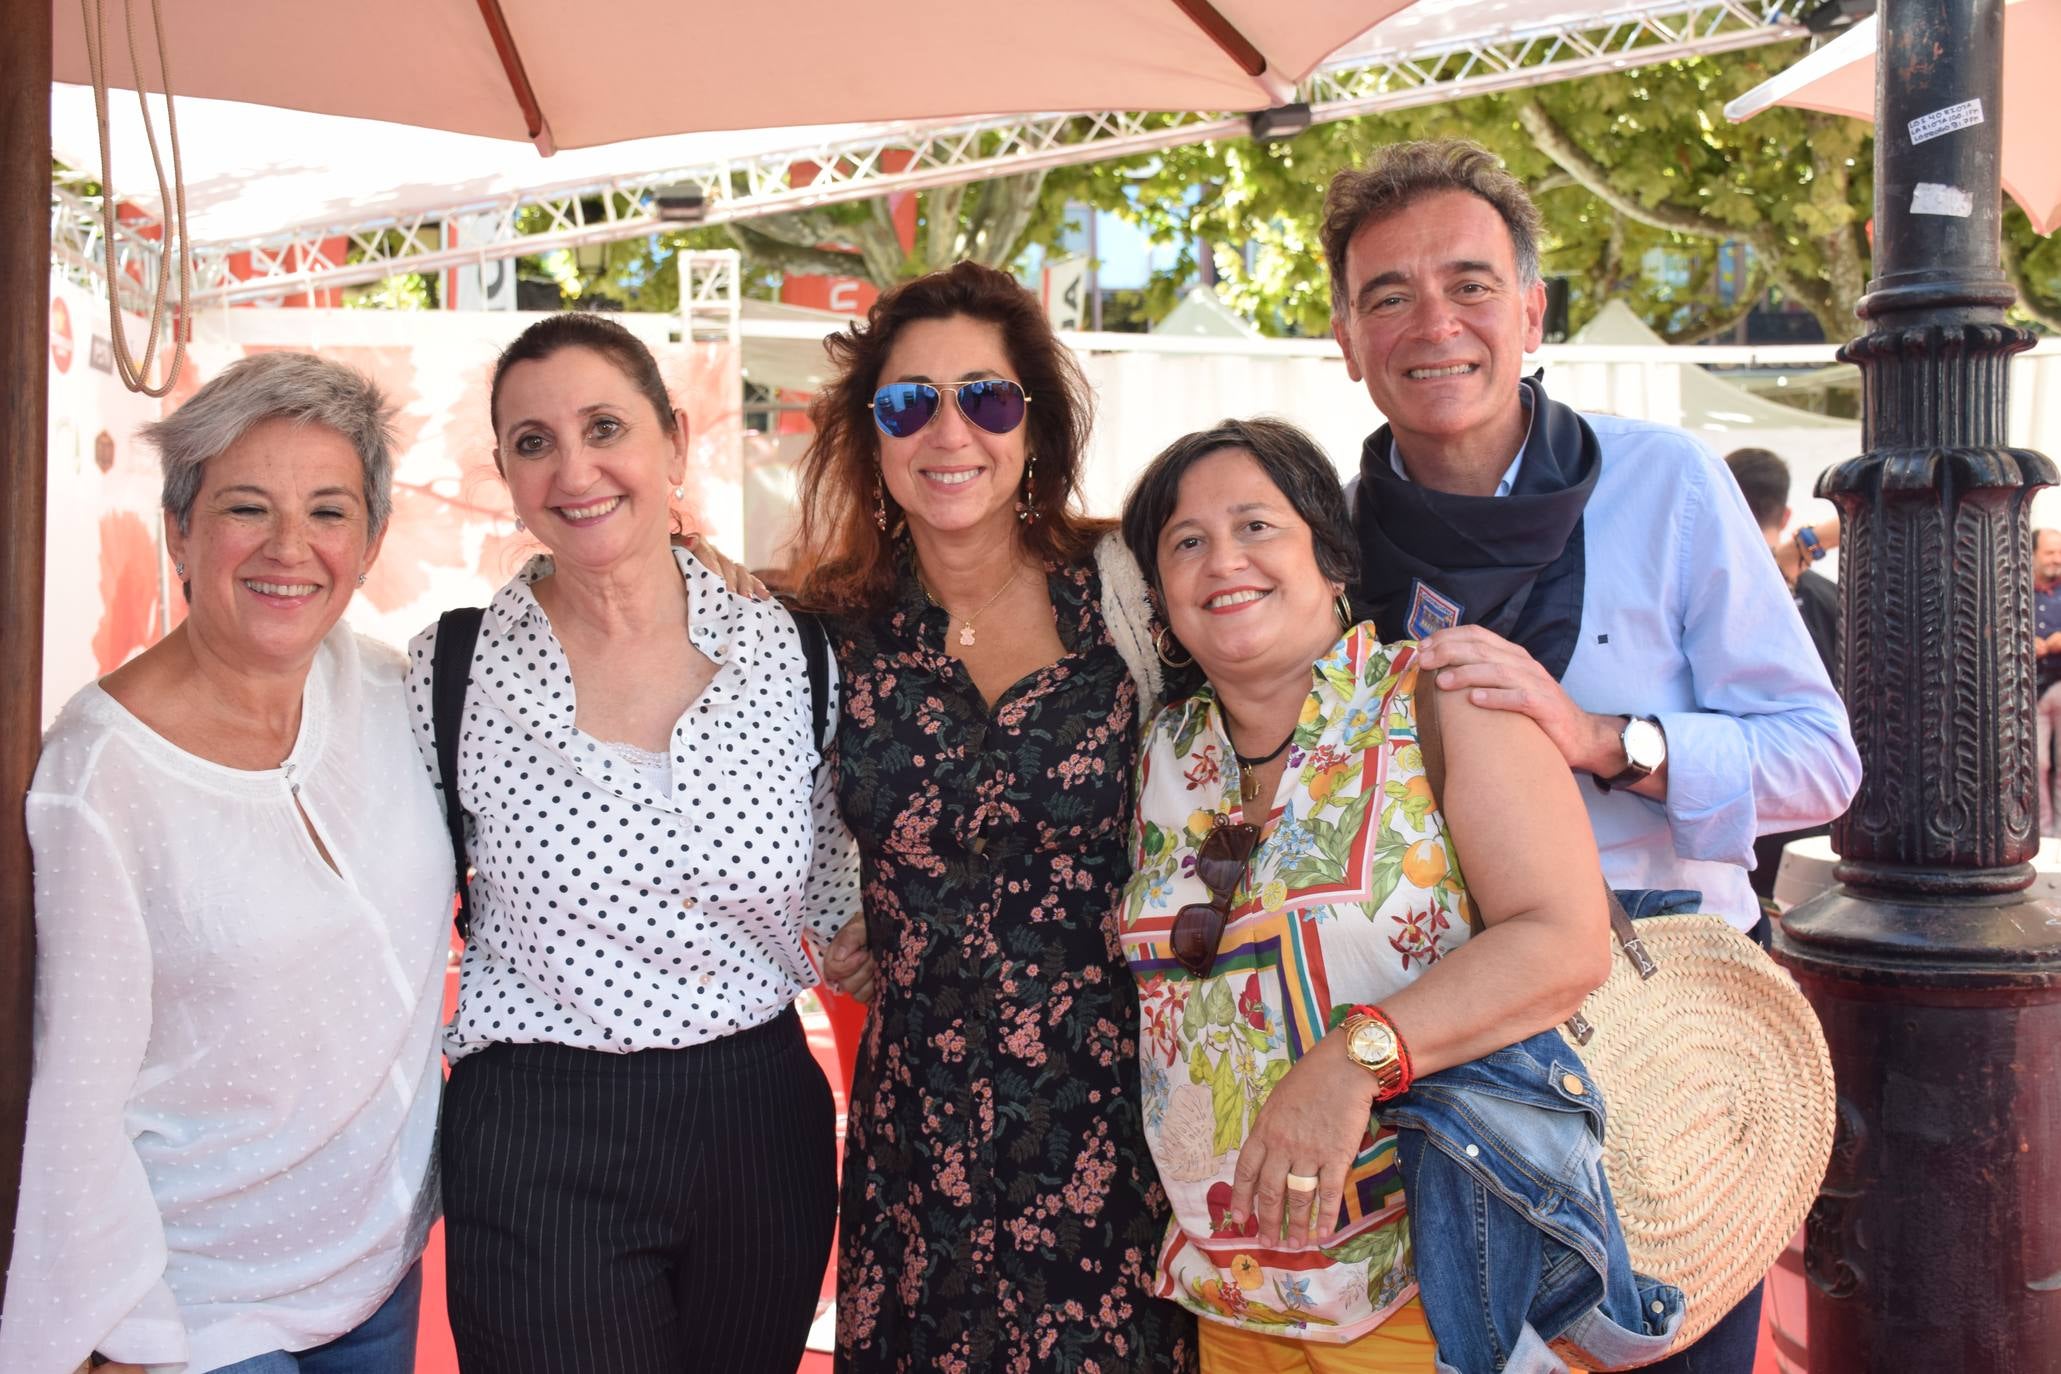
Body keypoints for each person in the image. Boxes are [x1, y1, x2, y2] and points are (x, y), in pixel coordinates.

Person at [1323, 139, 1861, 1372]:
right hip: (1433, 1054)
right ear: (1347, 339)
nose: (1433, 323)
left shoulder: (1661, 482)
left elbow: (1821, 763)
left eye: (1468, 284)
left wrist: (1601, 740)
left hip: (1660, 1051)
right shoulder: (1331, 538)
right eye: (1387, 295)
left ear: (1531, 310)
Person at [408, 313, 873, 1374]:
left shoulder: (795, 653)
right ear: (506, 474)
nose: (574, 469)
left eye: (604, 426)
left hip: (758, 1123)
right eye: (533, 442)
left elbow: (836, 874)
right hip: (540, 1129)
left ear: (673, 437)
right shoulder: (452, 672)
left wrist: (858, 936)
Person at [1115, 417, 1627, 1370]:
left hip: (1433, 1285)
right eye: (1186, 541)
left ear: (1332, 557)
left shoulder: (1442, 698)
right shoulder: (1161, 754)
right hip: (1232, 1301)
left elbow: (1564, 940)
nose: (1222, 558)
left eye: (1256, 525)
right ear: (1161, 598)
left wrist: (1353, 1062)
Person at [1, 354, 450, 1373]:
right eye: (248, 507)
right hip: (201, 1302)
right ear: (180, 533)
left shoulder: (391, 692)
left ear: (371, 541)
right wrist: (115, 1334)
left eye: (329, 512)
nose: (290, 548)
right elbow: (77, 1085)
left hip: (378, 1265)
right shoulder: (102, 771)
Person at [788, 261, 1198, 1370]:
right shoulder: (826, 630)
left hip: (1125, 1132)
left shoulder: (1131, 596)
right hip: (919, 1150)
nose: (950, 431)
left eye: (988, 396)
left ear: (1034, 425)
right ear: (872, 438)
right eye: (909, 403)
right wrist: (850, 915)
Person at [1723, 446, 1844, 902]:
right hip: (1816, 803)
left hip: (1736, 803)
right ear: (1786, 510)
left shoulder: (1704, 592)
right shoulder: (1829, 596)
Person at [2033, 529, 2061, 835]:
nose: (2057, 559)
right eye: (2050, 552)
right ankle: (2043, 834)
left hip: (2060, 684)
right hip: (2030, 691)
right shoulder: (2018, 589)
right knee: (2037, 764)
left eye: (2060, 553)